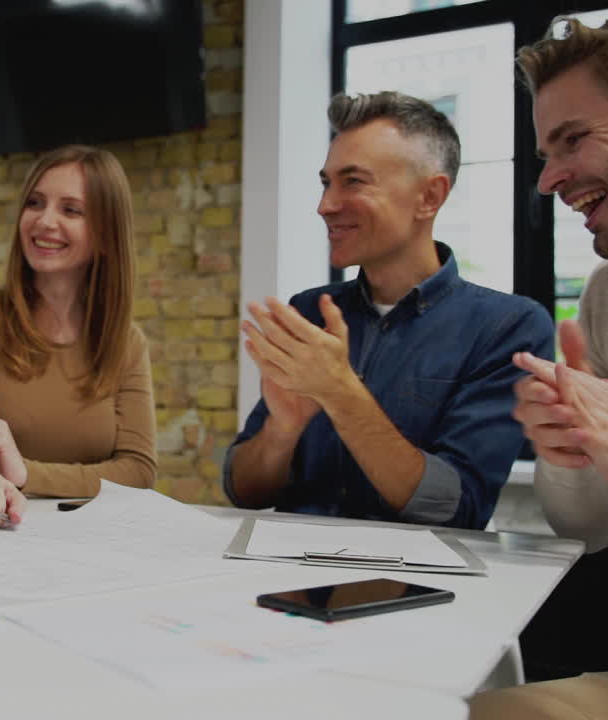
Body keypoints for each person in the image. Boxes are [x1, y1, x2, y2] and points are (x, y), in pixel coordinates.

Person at [471, 8, 608, 717]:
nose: (549, 181)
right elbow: (592, 530)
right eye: (545, 154)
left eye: (574, 140)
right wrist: (571, 452)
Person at [223, 91, 553, 530]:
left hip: (415, 593)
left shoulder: (509, 327)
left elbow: (456, 508)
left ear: (429, 197)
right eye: (326, 183)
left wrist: (341, 395)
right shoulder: (311, 311)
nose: (325, 206)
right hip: (286, 581)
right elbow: (244, 492)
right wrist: (282, 431)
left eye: (353, 181)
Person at [0, 145, 157, 527]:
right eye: (35, 203)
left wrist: (26, 475)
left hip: (87, 540)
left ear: (105, 234)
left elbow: (138, 471)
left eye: (71, 210)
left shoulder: (126, 342)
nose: (45, 221)